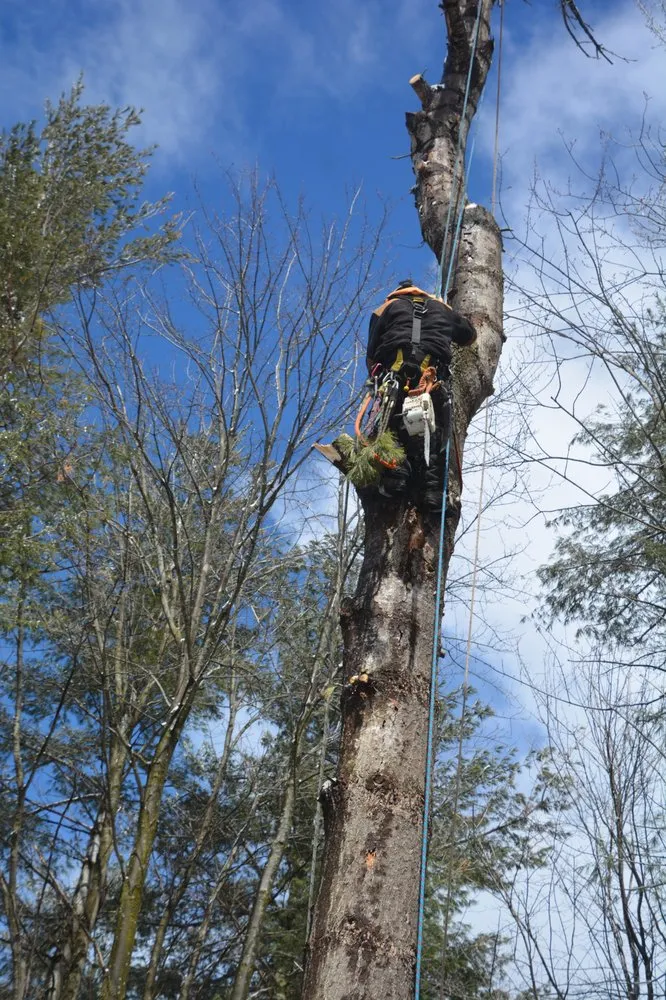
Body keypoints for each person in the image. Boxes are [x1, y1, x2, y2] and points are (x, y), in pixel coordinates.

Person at [366, 279, 477, 511]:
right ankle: (433, 494)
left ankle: (395, 476)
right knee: (433, 436)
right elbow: (469, 336)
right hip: (431, 380)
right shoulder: (441, 308)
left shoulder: (385, 308)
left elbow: (372, 353)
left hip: (394, 379)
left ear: (396, 293)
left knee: (391, 429)